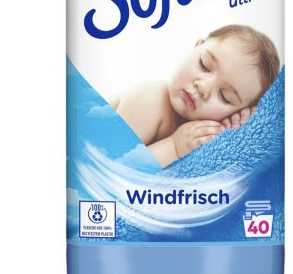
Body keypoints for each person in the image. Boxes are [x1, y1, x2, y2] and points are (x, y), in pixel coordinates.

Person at [109, 25, 280, 168]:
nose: (203, 87)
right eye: (204, 65)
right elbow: (110, 172)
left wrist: (239, 125)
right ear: (196, 46)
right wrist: (173, 147)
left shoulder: (199, 133)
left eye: (225, 97)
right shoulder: (150, 100)